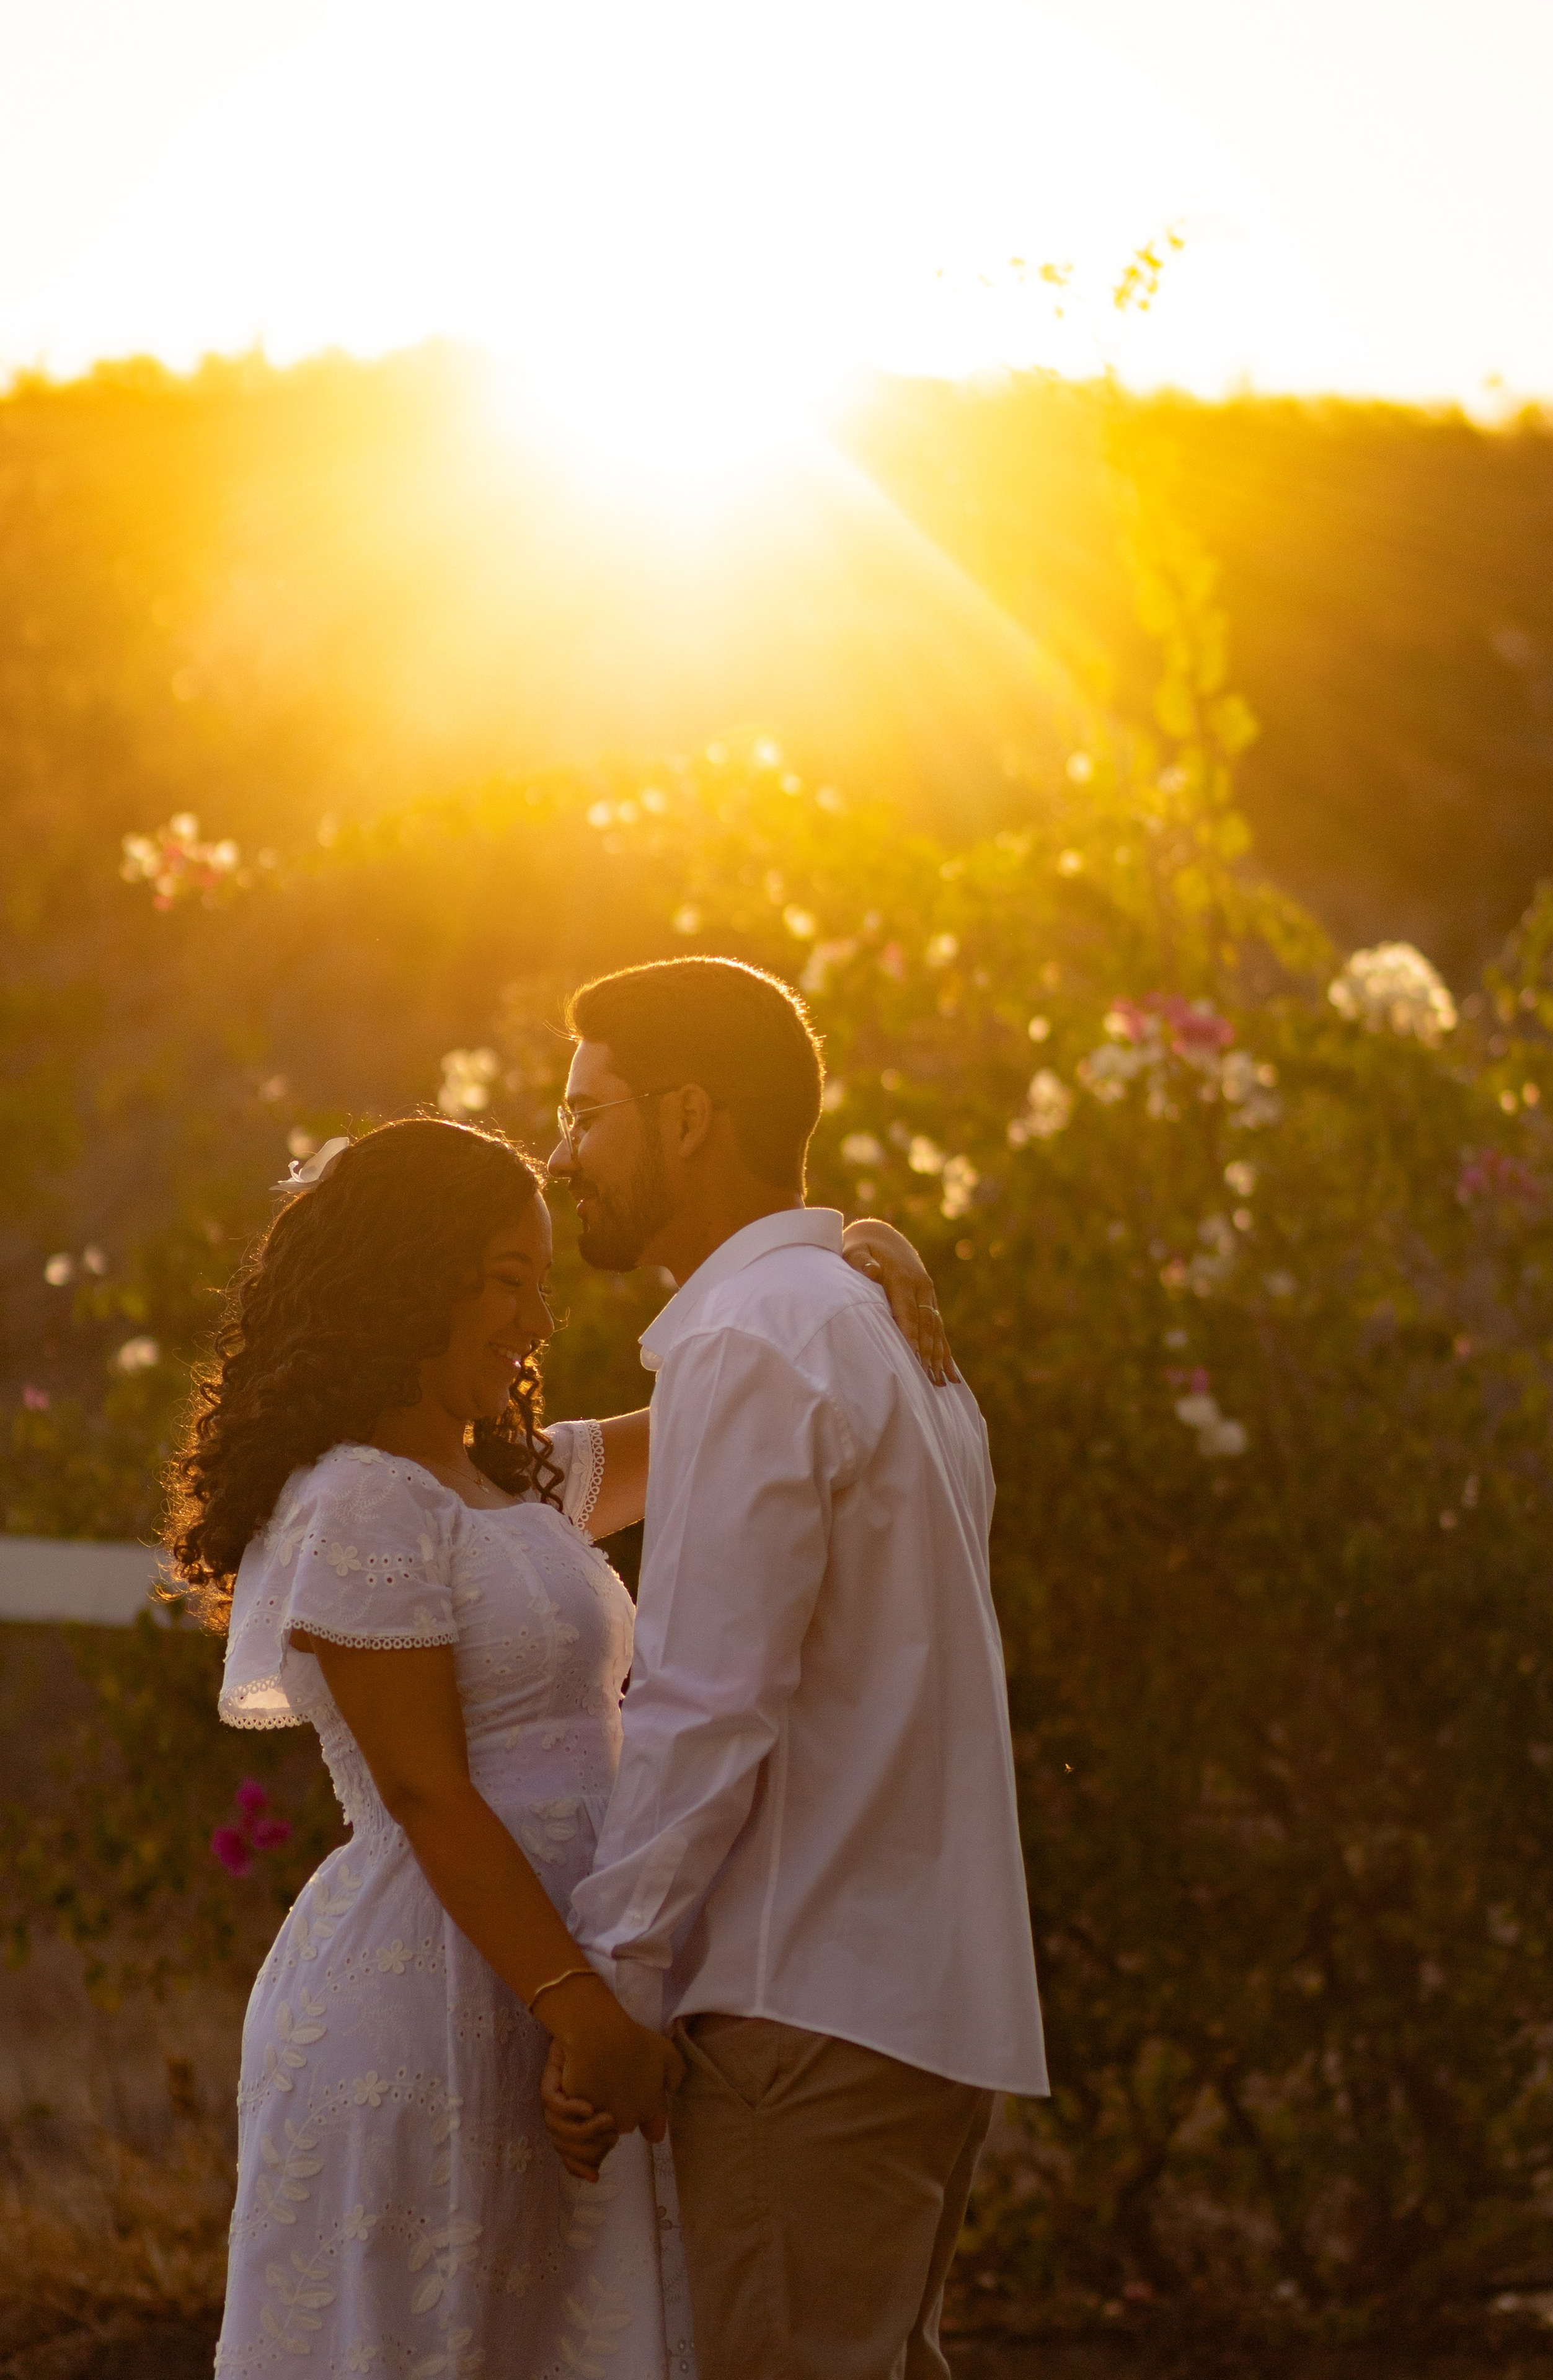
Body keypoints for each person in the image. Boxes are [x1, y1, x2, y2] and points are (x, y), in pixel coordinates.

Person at [166, 1114, 942, 2378]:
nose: (536, 1322)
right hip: (444, 1989)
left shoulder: (510, 1479)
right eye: (507, 1283)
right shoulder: (361, 1493)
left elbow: (716, 1416)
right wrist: (580, 2008)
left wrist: (839, 1276)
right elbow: (425, 1791)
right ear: (409, 1277)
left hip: (566, 1980)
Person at [542, 958, 1050, 2380]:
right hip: (907, 1999)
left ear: (687, 1116)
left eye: (585, 1111)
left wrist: (614, 1990)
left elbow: (707, 1701)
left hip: (799, 1999)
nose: (560, 1150)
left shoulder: (760, 1335)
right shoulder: (868, 1324)